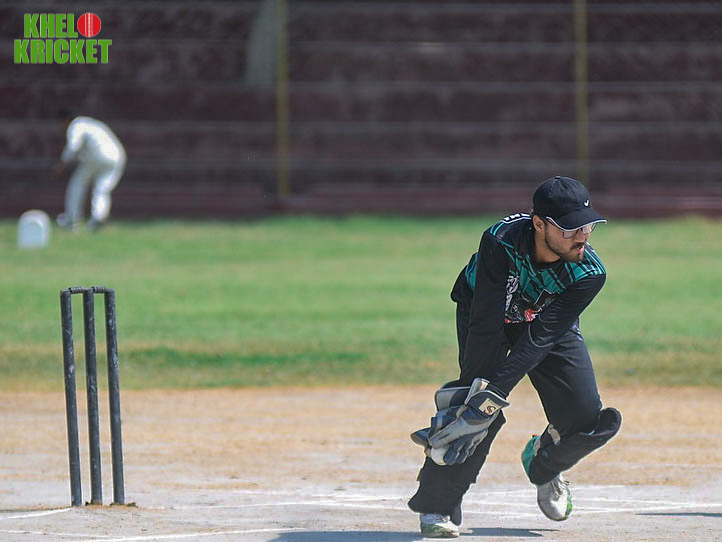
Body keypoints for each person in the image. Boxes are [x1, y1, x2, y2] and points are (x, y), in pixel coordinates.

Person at [409, 176, 622, 538]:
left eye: (588, 226)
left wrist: (497, 391)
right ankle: (437, 507)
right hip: (485, 314)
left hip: (543, 323)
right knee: (473, 401)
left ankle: (543, 462)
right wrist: (484, 398)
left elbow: (542, 337)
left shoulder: (588, 273)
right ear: (539, 224)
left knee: (586, 416)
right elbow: (485, 323)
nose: (582, 236)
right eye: (570, 228)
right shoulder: (501, 240)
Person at [54, 111, 126, 231]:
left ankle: (72, 220)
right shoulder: (91, 124)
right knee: (102, 189)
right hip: (115, 156)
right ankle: (98, 217)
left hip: (96, 155)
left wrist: (62, 164)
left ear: (65, 121)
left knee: (77, 184)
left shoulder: (76, 125)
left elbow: (73, 146)